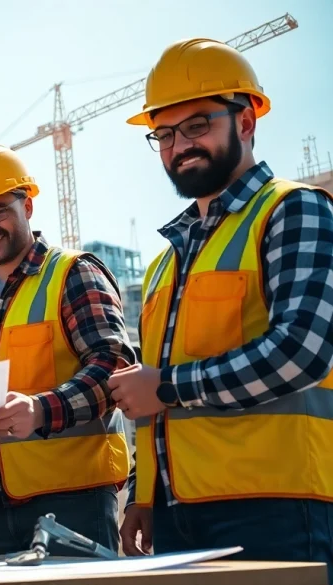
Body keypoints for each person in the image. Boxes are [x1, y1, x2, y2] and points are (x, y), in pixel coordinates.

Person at [110, 38, 333, 576]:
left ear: (247, 120)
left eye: (196, 125)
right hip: (176, 511)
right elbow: (149, 399)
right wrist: (146, 492)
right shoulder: (169, 261)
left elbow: (301, 352)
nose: (179, 145)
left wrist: (166, 386)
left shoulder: (294, 209)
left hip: (275, 505)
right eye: (163, 134)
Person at [0, 144, 136, 555]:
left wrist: (41, 409)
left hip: (72, 506)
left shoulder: (73, 273)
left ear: (27, 206)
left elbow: (112, 366)